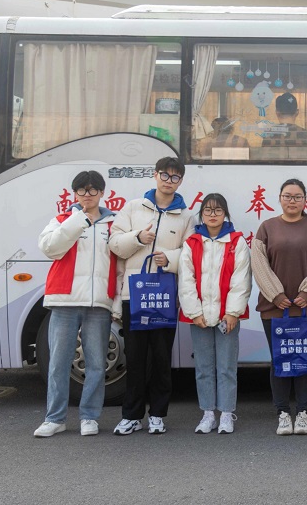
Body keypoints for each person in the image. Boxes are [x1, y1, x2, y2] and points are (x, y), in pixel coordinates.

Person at [108, 157, 196, 435]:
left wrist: (169, 258)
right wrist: (137, 238)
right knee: (135, 359)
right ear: (155, 175)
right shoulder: (133, 207)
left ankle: (157, 414)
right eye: (165, 175)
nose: (169, 181)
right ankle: (131, 416)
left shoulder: (186, 217)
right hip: (133, 296)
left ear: (180, 181)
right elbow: (114, 243)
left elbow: (191, 255)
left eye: (175, 177)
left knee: (161, 359)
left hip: (164, 298)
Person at [33, 171, 120, 438]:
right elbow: (49, 248)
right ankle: (55, 418)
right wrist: (78, 220)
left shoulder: (114, 224)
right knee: (58, 363)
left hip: (99, 304)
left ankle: (89, 417)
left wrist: (115, 302)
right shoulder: (62, 220)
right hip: (64, 301)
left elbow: (121, 263)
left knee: (96, 365)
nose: (87, 195)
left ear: (102, 193)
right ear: (74, 193)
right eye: (81, 190)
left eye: (93, 190)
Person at [250, 179, 307, 435]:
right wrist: (275, 294)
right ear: (280, 198)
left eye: (297, 196)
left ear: (305, 200)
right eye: (287, 196)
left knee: (306, 360)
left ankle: (304, 413)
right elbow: (258, 264)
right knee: (280, 361)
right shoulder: (267, 227)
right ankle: (283, 413)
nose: (292, 201)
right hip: (274, 309)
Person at [179, 194, 251, 435]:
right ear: (201, 214)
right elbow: (186, 280)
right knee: (204, 367)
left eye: (218, 210)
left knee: (226, 367)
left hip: (226, 318)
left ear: (225, 214)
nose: (212, 215)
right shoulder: (192, 243)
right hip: (199, 318)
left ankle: (227, 414)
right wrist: (194, 312)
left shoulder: (236, 242)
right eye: (208, 210)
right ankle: (208, 414)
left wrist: (232, 312)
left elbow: (241, 280)